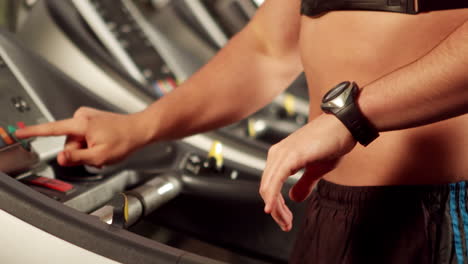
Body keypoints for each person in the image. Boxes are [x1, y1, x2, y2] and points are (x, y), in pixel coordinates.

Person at [16, 0, 468, 262]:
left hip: (439, 210)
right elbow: (268, 49)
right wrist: (140, 127)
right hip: (332, 208)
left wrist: (352, 117)